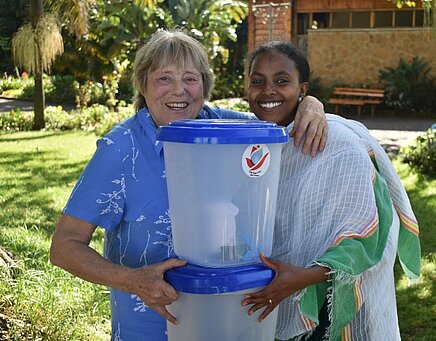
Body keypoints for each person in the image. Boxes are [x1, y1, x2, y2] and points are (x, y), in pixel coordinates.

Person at [49, 29, 328, 341]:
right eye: (164, 78)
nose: (179, 91)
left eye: (190, 79)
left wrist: (311, 104)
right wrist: (133, 280)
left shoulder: (224, 129)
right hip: (149, 327)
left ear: (204, 86)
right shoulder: (121, 149)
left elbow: (279, 118)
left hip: (224, 320)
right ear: (143, 85)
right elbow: (64, 247)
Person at [241, 41, 421, 340]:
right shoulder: (249, 139)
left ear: (303, 89)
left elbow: (367, 236)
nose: (268, 91)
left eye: (282, 81)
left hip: (330, 303)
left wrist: (303, 278)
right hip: (271, 292)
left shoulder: (338, 145)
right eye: (257, 81)